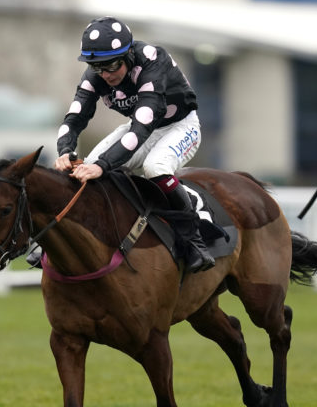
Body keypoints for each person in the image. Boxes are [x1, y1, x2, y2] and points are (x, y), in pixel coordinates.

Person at [53, 16, 214, 272]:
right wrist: (65, 151)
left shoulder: (153, 61)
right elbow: (74, 118)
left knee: (155, 167)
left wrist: (103, 166)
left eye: (112, 66)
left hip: (180, 126)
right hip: (141, 128)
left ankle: (193, 239)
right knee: (85, 172)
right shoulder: (96, 74)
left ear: (128, 55)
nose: (105, 75)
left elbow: (141, 127)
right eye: (97, 68)